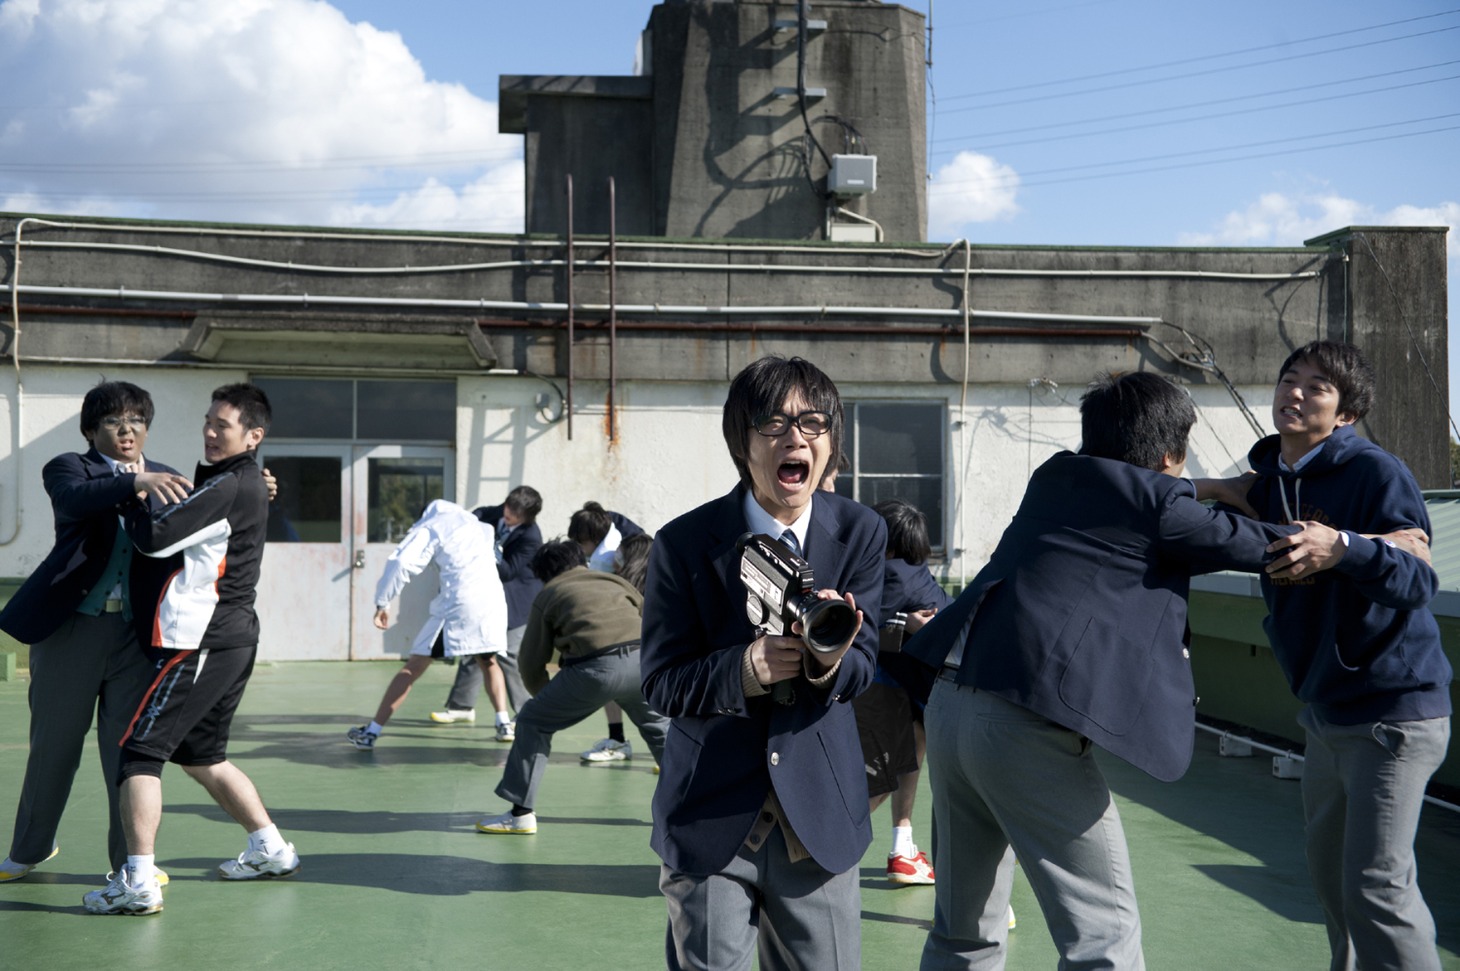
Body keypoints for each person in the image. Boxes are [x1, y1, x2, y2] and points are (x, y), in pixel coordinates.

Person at [905, 371, 1338, 970]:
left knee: (964, 932)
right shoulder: (1163, 507)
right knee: (1103, 936)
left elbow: (1139, 494)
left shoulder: (1053, 477)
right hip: (1024, 729)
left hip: (953, 709)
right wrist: (1361, 544)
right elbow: (1265, 547)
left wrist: (1209, 487)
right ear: (1169, 455)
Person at [640, 355, 883, 971]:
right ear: (741, 442)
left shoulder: (860, 533)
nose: (795, 437)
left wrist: (829, 659)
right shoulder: (684, 543)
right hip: (712, 814)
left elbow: (867, 663)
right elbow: (661, 683)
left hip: (820, 819)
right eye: (773, 423)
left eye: (813, 422)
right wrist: (744, 669)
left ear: (831, 443)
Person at [1228, 340, 1452, 971]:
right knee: (1334, 886)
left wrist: (1346, 549)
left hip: (1393, 715)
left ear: (1346, 412)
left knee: (1378, 888)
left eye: (1318, 387)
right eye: (1288, 379)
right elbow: (1234, 495)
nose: (1294, 392)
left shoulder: (1376, 472)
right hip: (1325, 712)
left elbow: (1418, 575)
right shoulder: (1273, 479)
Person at [84, 383, 299, 916]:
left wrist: (132, 494)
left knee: (139, 754)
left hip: (202, 638)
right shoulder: (240, 480)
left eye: (220, 426)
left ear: (253, 436)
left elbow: (155, 537)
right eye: (206, 421)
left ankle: (137, 881)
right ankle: (271, 848)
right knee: (205, 756)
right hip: (231, 636)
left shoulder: (234, 485)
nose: (207, 431)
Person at [0, 381, 192, 883]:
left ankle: (131, 862)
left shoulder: (167, 476)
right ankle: (30, 849)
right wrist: (135, 482)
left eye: (136, 419)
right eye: (113, 420)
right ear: (91, 430)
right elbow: (77, 500)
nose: (127, 429)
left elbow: (206, 513)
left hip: (135, 638)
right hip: (71, 630)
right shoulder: (68, 468)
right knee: (54, 746)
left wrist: (258, 487)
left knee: (128, 755)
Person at [475, 539, 668, 835]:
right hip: (643, 663)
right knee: (662, 734)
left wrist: (547, 699)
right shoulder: (616, 582)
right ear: (581, 561)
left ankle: (520, 815)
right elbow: (650, 621)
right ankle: (687, 810)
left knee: (532, 722)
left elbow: (530, 661)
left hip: (595, 669)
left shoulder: (549, 593)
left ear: (544, 573)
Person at [347, 499, 513, 750]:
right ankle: (503, 723)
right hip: (492, 604)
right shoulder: (480, 527)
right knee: (488, 661)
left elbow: (402, 563)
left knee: (413, 666)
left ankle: (371, 732)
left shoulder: (433, 526)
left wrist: (383, 601)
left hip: (457, 606)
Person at [856, 498, 951, 887]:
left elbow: (857, 618)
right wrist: (902, 624)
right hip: (918, 691)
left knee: (891, 770)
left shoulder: (884, 574)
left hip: (897, 687)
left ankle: (903, 847)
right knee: (889, 773)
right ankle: (820, 848)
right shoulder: (914, 575)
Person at [431, 486, 543, 725]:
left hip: (516, 600)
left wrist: (482, 548)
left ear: (527, 517)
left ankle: (525, 713)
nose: (507, 515)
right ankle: (461, 707)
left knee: (508, 656)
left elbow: (508, 571)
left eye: (515, 513)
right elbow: (469, 521)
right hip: (485, 595)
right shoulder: (489, 514)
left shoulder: (531, 537)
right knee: (473, 648)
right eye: (507, 507)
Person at [568, 501, 649, 763]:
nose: (581, 551)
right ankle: (617, 739)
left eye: (581, 544)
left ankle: (668, 751)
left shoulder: (606, 556)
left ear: (590, 538)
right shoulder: (612, 525)